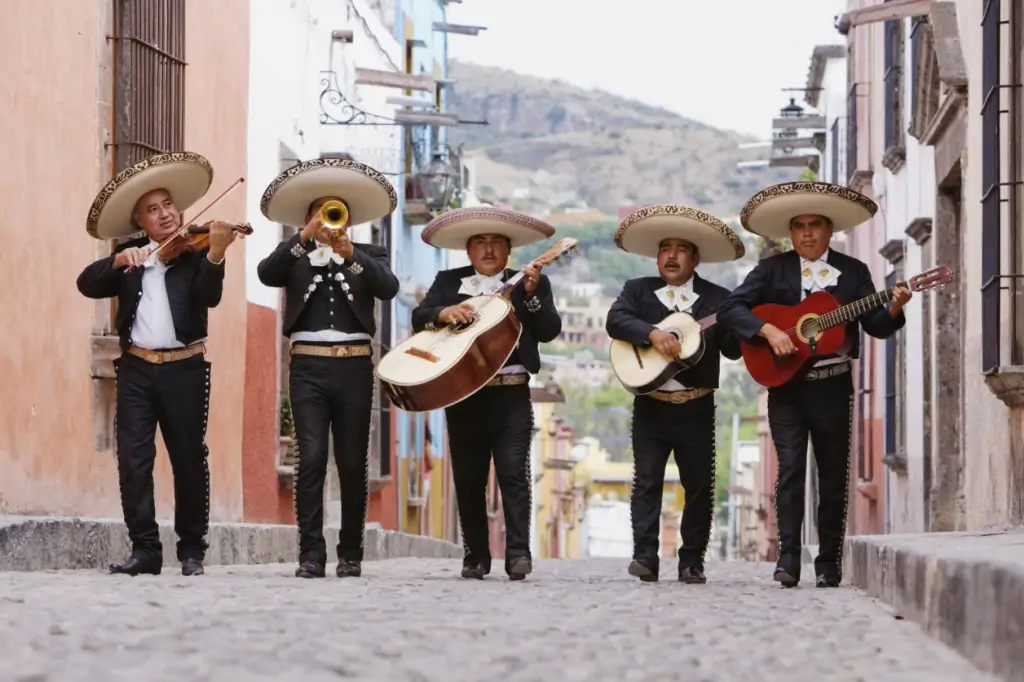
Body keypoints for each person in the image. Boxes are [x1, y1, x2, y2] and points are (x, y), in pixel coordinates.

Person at [717, 181, 912, 588]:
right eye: (799, 226)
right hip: (785, 386)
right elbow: (730, 308)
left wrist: (893, 306)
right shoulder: (772, 269)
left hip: (832, 386)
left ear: (829, 230)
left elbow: (875, 326)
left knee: (833, 475)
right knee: (789, 470)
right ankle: (787, 560)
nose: (807, 233)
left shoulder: (853, 272)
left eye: (815, 225)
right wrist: (768, 331)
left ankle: (828, 564)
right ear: (791, 233)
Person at [76, 151, 240, 577]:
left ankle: (191, 551)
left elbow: (209, 297)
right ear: (140, 222)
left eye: (168, 205)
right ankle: (145, 550)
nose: (165, 214)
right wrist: (117, 260)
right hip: (135, 370)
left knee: (188, 458)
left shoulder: (193, 254)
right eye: (153, 209)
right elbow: (86, 283)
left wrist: (217, 255)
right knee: (133, 459)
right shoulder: (130, 258)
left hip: (184, 368)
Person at [256, 157, 400, 579]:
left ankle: (350, 552)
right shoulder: (295, 255)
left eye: (334, 212)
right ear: (308, 218)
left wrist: (350, 252)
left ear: (348, 218)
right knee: (312, 459)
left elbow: (388, 287)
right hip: (308, 369)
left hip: (354, 367)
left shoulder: (369, 253)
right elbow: (267, 274)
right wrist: (303, 238)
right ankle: (310, 553)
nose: (328, 220)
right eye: (320, 212)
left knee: (353, 463)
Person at [411, 206, 561, 580]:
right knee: (468, 476)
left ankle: (518, 554)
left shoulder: (531, 281)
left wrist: (530, 296)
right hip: (463, 395)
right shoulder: (448, 281)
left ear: (509, 250)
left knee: (513, 473)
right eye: (481, 242)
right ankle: (475, 556)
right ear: (468, 249)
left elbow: (548, 330)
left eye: (497, 242)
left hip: (511, 392)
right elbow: (421, 315)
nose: (489, 249)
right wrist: (444, 313)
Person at [605, 205, 746, 584]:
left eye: (681, 248)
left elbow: (732, 349)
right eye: (665, 248)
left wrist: (747, 323)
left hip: (696, 405)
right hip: (650, 404)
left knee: (699, 485)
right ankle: (645, 557)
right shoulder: (637, 290)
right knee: (646, 480)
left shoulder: (720, 298)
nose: (671, 255)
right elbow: (615, 320)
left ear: (695, 258)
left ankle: (691, 561)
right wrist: (652, 334)